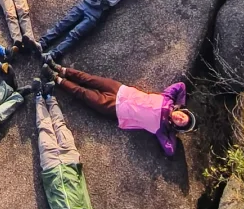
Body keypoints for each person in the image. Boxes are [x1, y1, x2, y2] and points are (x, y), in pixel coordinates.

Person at [32, 78, 114, 209]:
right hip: (71, 162)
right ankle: (50, 97)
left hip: (51, 167)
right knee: (60, 126)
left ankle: (38, 97)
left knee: (44, 129)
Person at [47, 63, 193, 155]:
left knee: (83, 94)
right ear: (182, 111)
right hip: (121, 90)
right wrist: (180, 103)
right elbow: (181, 86)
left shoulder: (161, 129)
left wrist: (173, 132)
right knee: (89, 79)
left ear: (177, 126)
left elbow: (170, 150)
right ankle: (61, 69)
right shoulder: (167, 99)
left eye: (181, 122)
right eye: (183, 116)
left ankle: (56, 79)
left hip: (116, 109)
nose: (179, 118)